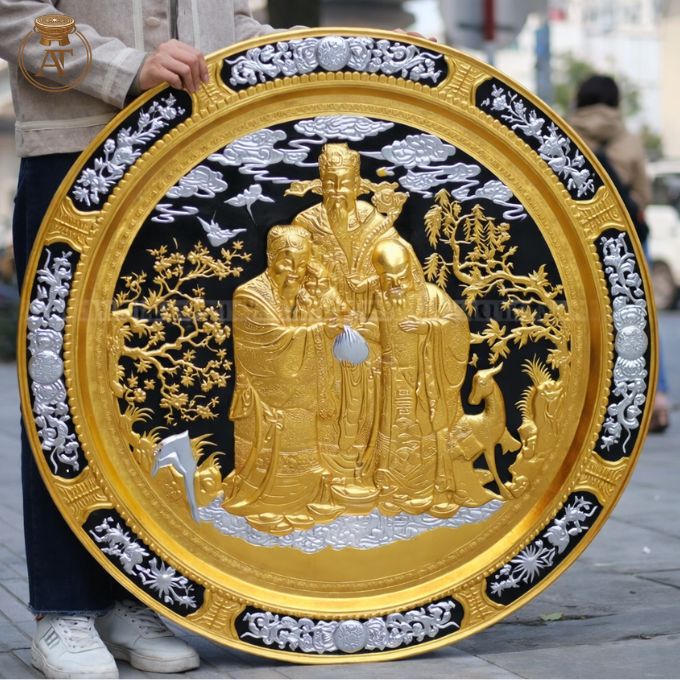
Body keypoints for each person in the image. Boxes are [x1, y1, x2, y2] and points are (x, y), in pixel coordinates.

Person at [0, 2, 277, 677]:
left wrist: (351, 56)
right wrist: (124, 68)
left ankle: (135, 595)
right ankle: (64, 609)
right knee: (65, 389)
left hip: (197, 155)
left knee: (165, 388)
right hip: (77, 151)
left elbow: (240, 24)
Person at [570, 74, 671, 434]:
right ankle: (655, 400)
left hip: (582, 239)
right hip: (626, 239)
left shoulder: (565, 133)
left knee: (585, 318)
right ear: (615, 102)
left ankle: (586, 400)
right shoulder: (629, 139)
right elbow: (643, 193)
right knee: (638, 318)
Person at [368, 239, 470, 516]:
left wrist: (427, 326)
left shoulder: (431, 296)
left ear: (411, 270)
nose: (395, 286)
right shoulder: (381, 299)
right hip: (391, 380)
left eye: (400, 278)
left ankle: (427, 489)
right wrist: (358, 329)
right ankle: (390, 489)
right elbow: (377, 331)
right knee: (392, 431)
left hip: (424, 380)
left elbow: (457, 324)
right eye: (387, 280)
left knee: (422, 430)